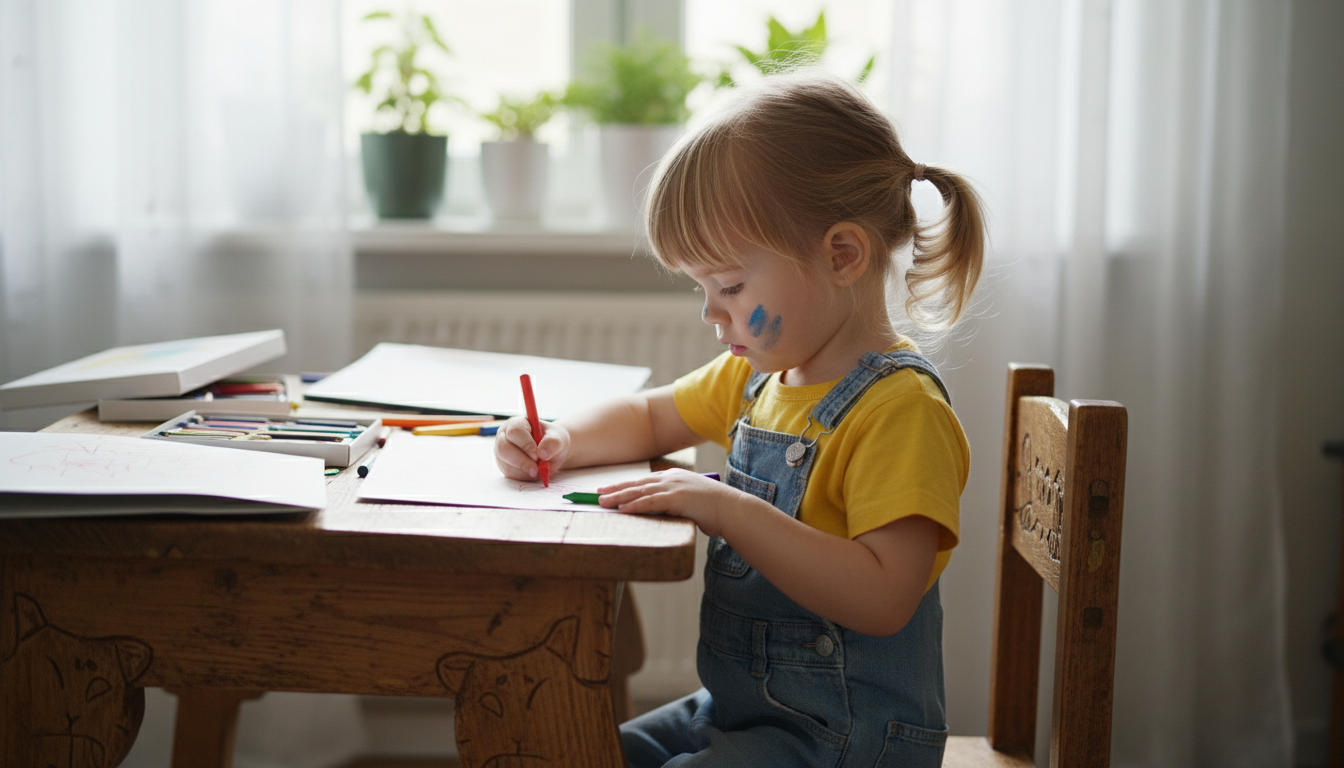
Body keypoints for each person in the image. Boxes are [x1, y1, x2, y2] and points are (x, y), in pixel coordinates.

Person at [494, 71, 984, 768]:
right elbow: (649, 415)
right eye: (702, 288)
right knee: (579, 750)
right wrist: (562, 438)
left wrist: (727, 508)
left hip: (846, 740)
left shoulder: (901, 411)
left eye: (728, 285)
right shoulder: (761, 376)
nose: (711, 313)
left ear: (842, 255)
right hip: (741, 710)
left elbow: (883, 597)